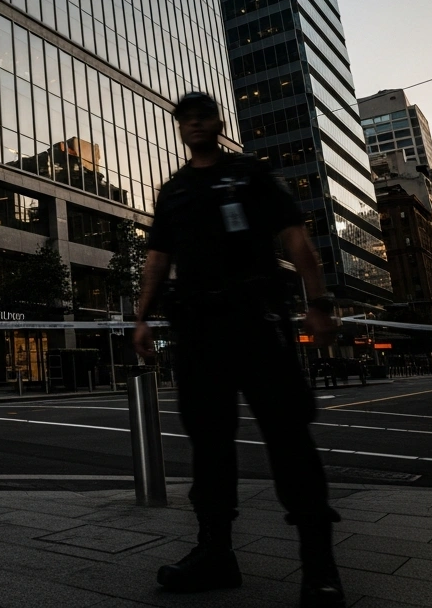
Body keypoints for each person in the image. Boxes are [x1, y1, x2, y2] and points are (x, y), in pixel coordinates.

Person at [133, 92, 343, 608]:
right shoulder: (175, 191)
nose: (195, 124)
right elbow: (158, 260)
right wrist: (140, 318)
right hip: (198, 329)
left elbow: (295, 240)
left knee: (288, 437)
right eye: (186, 118)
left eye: (203, 116)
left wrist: (318, 302)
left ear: (217, 123)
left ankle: (320, 568)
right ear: (180, 127)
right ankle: (215, 554)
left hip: (256, 321)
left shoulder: (251, 176)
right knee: (208, 443)